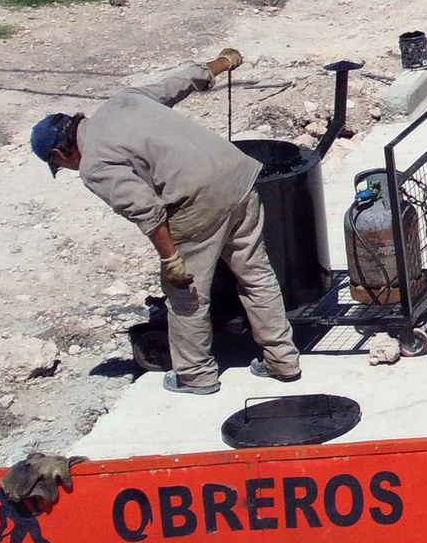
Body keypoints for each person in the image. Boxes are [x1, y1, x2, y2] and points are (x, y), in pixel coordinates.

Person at [30, 50, 302, 395]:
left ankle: (195, 375)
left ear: (59, 154)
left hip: (197, 200)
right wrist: (223, 62)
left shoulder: (94, 165)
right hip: (238, 177)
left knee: (186, 293)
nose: (66, 170)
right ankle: (283, 360)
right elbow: (179, 82)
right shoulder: (121, 102)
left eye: (60, 167)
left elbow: (147, 211)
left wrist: (171, 260)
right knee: (255, 275)